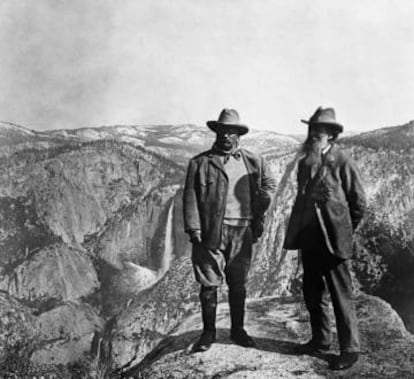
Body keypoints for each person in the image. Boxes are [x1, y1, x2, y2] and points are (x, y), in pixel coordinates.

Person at [183, 108, 276, 352]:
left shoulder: (253, 161)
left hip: (242, 230)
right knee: (209, 283)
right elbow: (190, 196)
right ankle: (208, 333)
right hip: (211, 232)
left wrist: (261, 204)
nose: (226, 136)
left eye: (231, 132)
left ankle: (238, 330)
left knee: (238, 283)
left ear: (239, 136)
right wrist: (194, 228)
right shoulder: (200, 163)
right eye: (222, 131)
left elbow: (269, 184)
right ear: (216, 133)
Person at [284, 107, 367, 370]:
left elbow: (359, 202)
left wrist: (344, 228)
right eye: (311, 130)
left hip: (334, 241)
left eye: (317, 131)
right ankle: (320, 340)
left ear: (330, 135)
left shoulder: (342, 161)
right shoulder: (304, 163)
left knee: (341, 294)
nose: (312, 135)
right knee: (312, 291)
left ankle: (350, 349)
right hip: (310, 239)